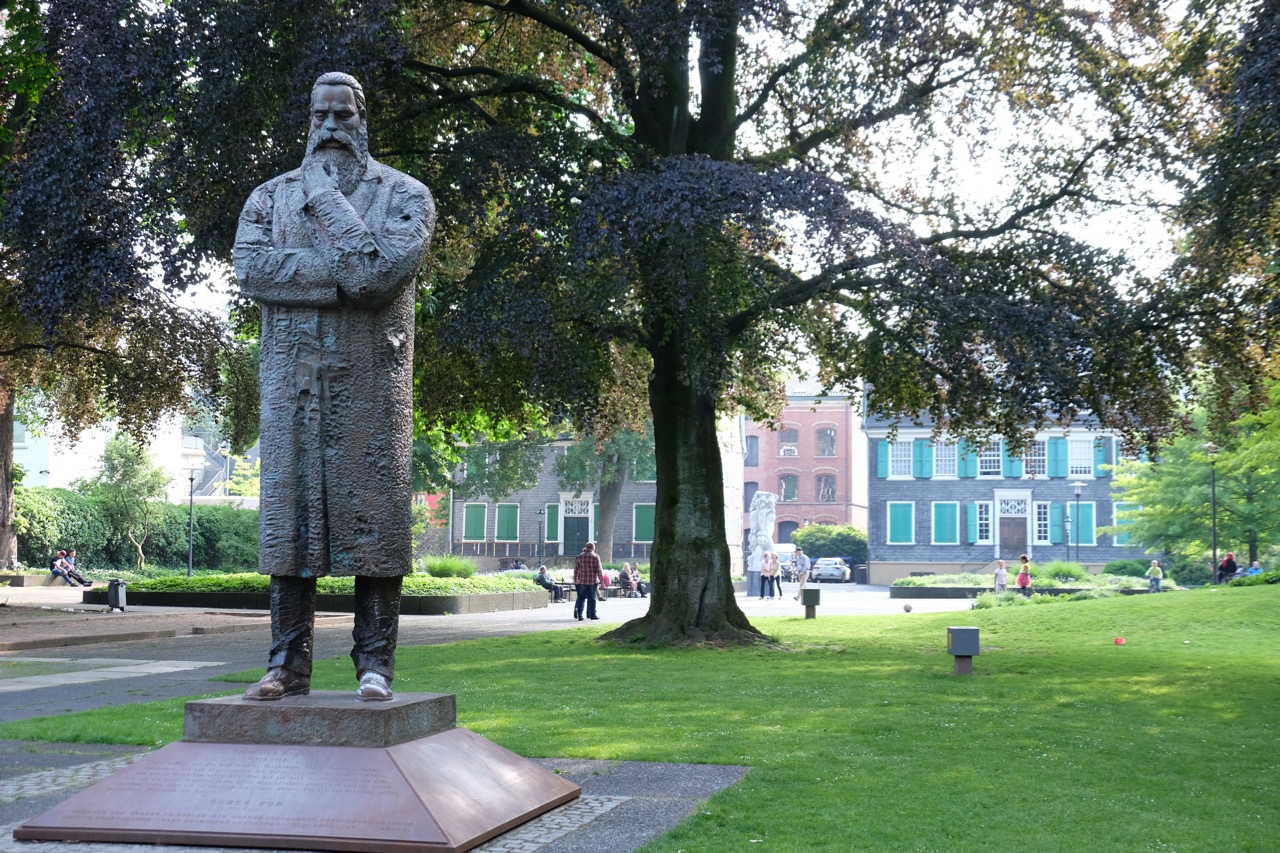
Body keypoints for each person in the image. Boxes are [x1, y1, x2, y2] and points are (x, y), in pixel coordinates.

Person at [234, 72, 435, 702]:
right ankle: (285, 666)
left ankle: (375, 664)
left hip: (372, 388)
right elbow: (252, 268)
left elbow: (379, 277)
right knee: (288, 529)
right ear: (307, 119)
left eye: (342, 116)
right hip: (292, 387)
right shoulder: (268, 199)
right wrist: (340, 276)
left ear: (362, 120)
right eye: (319, 115)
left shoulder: (407, 197)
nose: (329, 127)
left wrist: (326, 205)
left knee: (374, 531)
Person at [573, 542, 603, 621]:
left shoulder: (580, 556)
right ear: (593, 548)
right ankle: (592, 614)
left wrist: (575, 578)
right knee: (592, 598)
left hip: (583, 580)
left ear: (586, 547)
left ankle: (580, 615)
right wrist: (602, 581)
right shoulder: (596, 556)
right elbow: (599, 570)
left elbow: (576, 569)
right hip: (593, 581)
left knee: (581, 598)